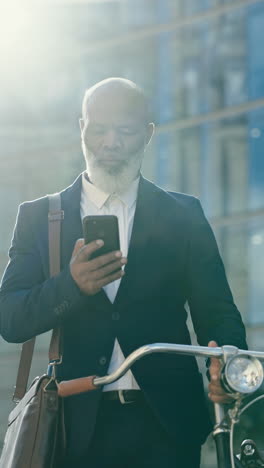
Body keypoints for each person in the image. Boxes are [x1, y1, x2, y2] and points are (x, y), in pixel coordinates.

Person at [0, 77, 247, 468]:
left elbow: (217, 312)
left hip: (167, 426)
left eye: (125, 131)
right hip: (73, 428)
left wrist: (226, 364)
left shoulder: (184, 215)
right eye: (98, 129)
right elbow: (10, 319)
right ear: (80, 127)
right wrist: (71, 285)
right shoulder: (39, 217)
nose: (110, 142)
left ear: (148, 134)